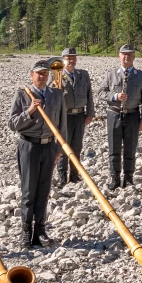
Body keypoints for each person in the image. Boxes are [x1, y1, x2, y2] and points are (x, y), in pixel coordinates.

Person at [9, 59, 64, 249]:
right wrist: (30, 111)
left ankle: (40, 231)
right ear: (31, 75)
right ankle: (26, 231)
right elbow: (12, 124)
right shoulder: (22, 95)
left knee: (44, 190)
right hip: (29, 147)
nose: (42, 76)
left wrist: (58, 150)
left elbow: (62, 125)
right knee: (28, 191)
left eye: (45, 73)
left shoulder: (57, 95)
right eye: (38, 73)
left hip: (48, 147)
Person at [98, 44, 142, 190]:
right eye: (123, 54)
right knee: (114, 149)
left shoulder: (141, 76)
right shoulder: (111, 75)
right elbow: (100, 93)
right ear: (119, 56)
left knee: (130, 148)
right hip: (114, 114)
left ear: (134, 57)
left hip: (133, 115)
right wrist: (115, 96)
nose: (126, 57)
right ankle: (114, 178)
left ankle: (128, 178)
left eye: (129, 55)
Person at [55, 49, 94, 186]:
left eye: (73, 58)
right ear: (62, 60)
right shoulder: (57, 75)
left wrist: (90, 113)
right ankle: (61, 176)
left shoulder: (83, 75)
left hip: (80, 115)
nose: (71, 60)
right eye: (68, 58)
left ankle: (74, 175)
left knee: (77, 146)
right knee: (63, 146)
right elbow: (50, 95)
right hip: (65, 116)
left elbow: (89, 94)